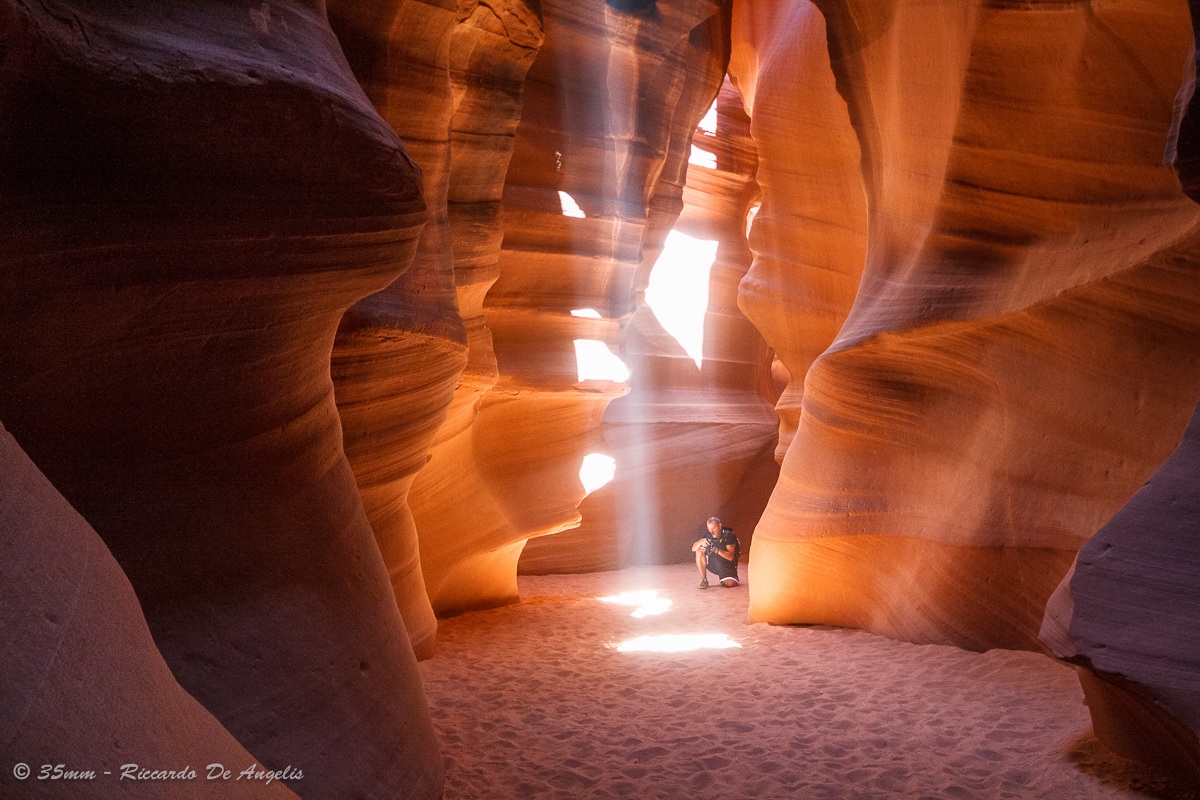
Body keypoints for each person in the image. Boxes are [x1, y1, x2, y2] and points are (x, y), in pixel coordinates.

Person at [692, 516, 740, 589]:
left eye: (714, 528)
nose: (711, 531)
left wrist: (716, 550)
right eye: (709, 529)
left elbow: (730, 557)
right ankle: (704, 580)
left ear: (720, 525)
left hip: (726, 563)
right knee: (699, 550)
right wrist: (700, 541)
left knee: (730, 584)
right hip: (713, 563)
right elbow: (693, 549)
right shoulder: (707, 535)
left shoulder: (729, 535)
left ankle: (727, 577)